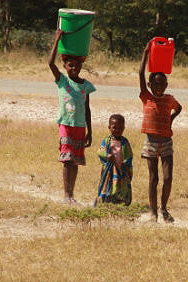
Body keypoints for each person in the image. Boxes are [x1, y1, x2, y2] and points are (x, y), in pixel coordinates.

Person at [48, 29, 96, 205]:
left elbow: (87, 108)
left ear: (81, 66)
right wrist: (57, 40)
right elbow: (50, 64)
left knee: (75, 161)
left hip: (80, 126)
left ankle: (71, 194)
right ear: (65, 66)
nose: (74, 68)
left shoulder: (86, 85)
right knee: (67, 160)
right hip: (66, 125)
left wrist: (89, 131)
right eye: (70, 65)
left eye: (77, 65)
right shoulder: (62, 80)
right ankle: (66, 195)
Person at [139, 40, 182, 223]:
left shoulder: (169, 99)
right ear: (149, 85)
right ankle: (153, 212)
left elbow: (179, 108)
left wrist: (171, 119)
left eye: (162, 84)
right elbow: (141, 73)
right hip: (150, 142)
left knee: (168, 177)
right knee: (153, 178)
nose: (159, 87)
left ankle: (164, 208)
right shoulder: (146, 97)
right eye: (155, 84)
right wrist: (146, 52)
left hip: (166, 143)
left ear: (166, 84)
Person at [95, 114, 133, 206]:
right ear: (109, 127)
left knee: (121, 185)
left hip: (121, 169)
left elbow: (129, 155)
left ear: (124, 128)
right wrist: (107, 156)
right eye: (114, 128)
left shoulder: (125, 142)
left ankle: (121, 201)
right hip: (109, 170)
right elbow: (100, 151)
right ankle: (106, 200)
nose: (117, 130)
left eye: (120, 128)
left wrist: (125, 163)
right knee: (108, 184)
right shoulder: (107, 141)